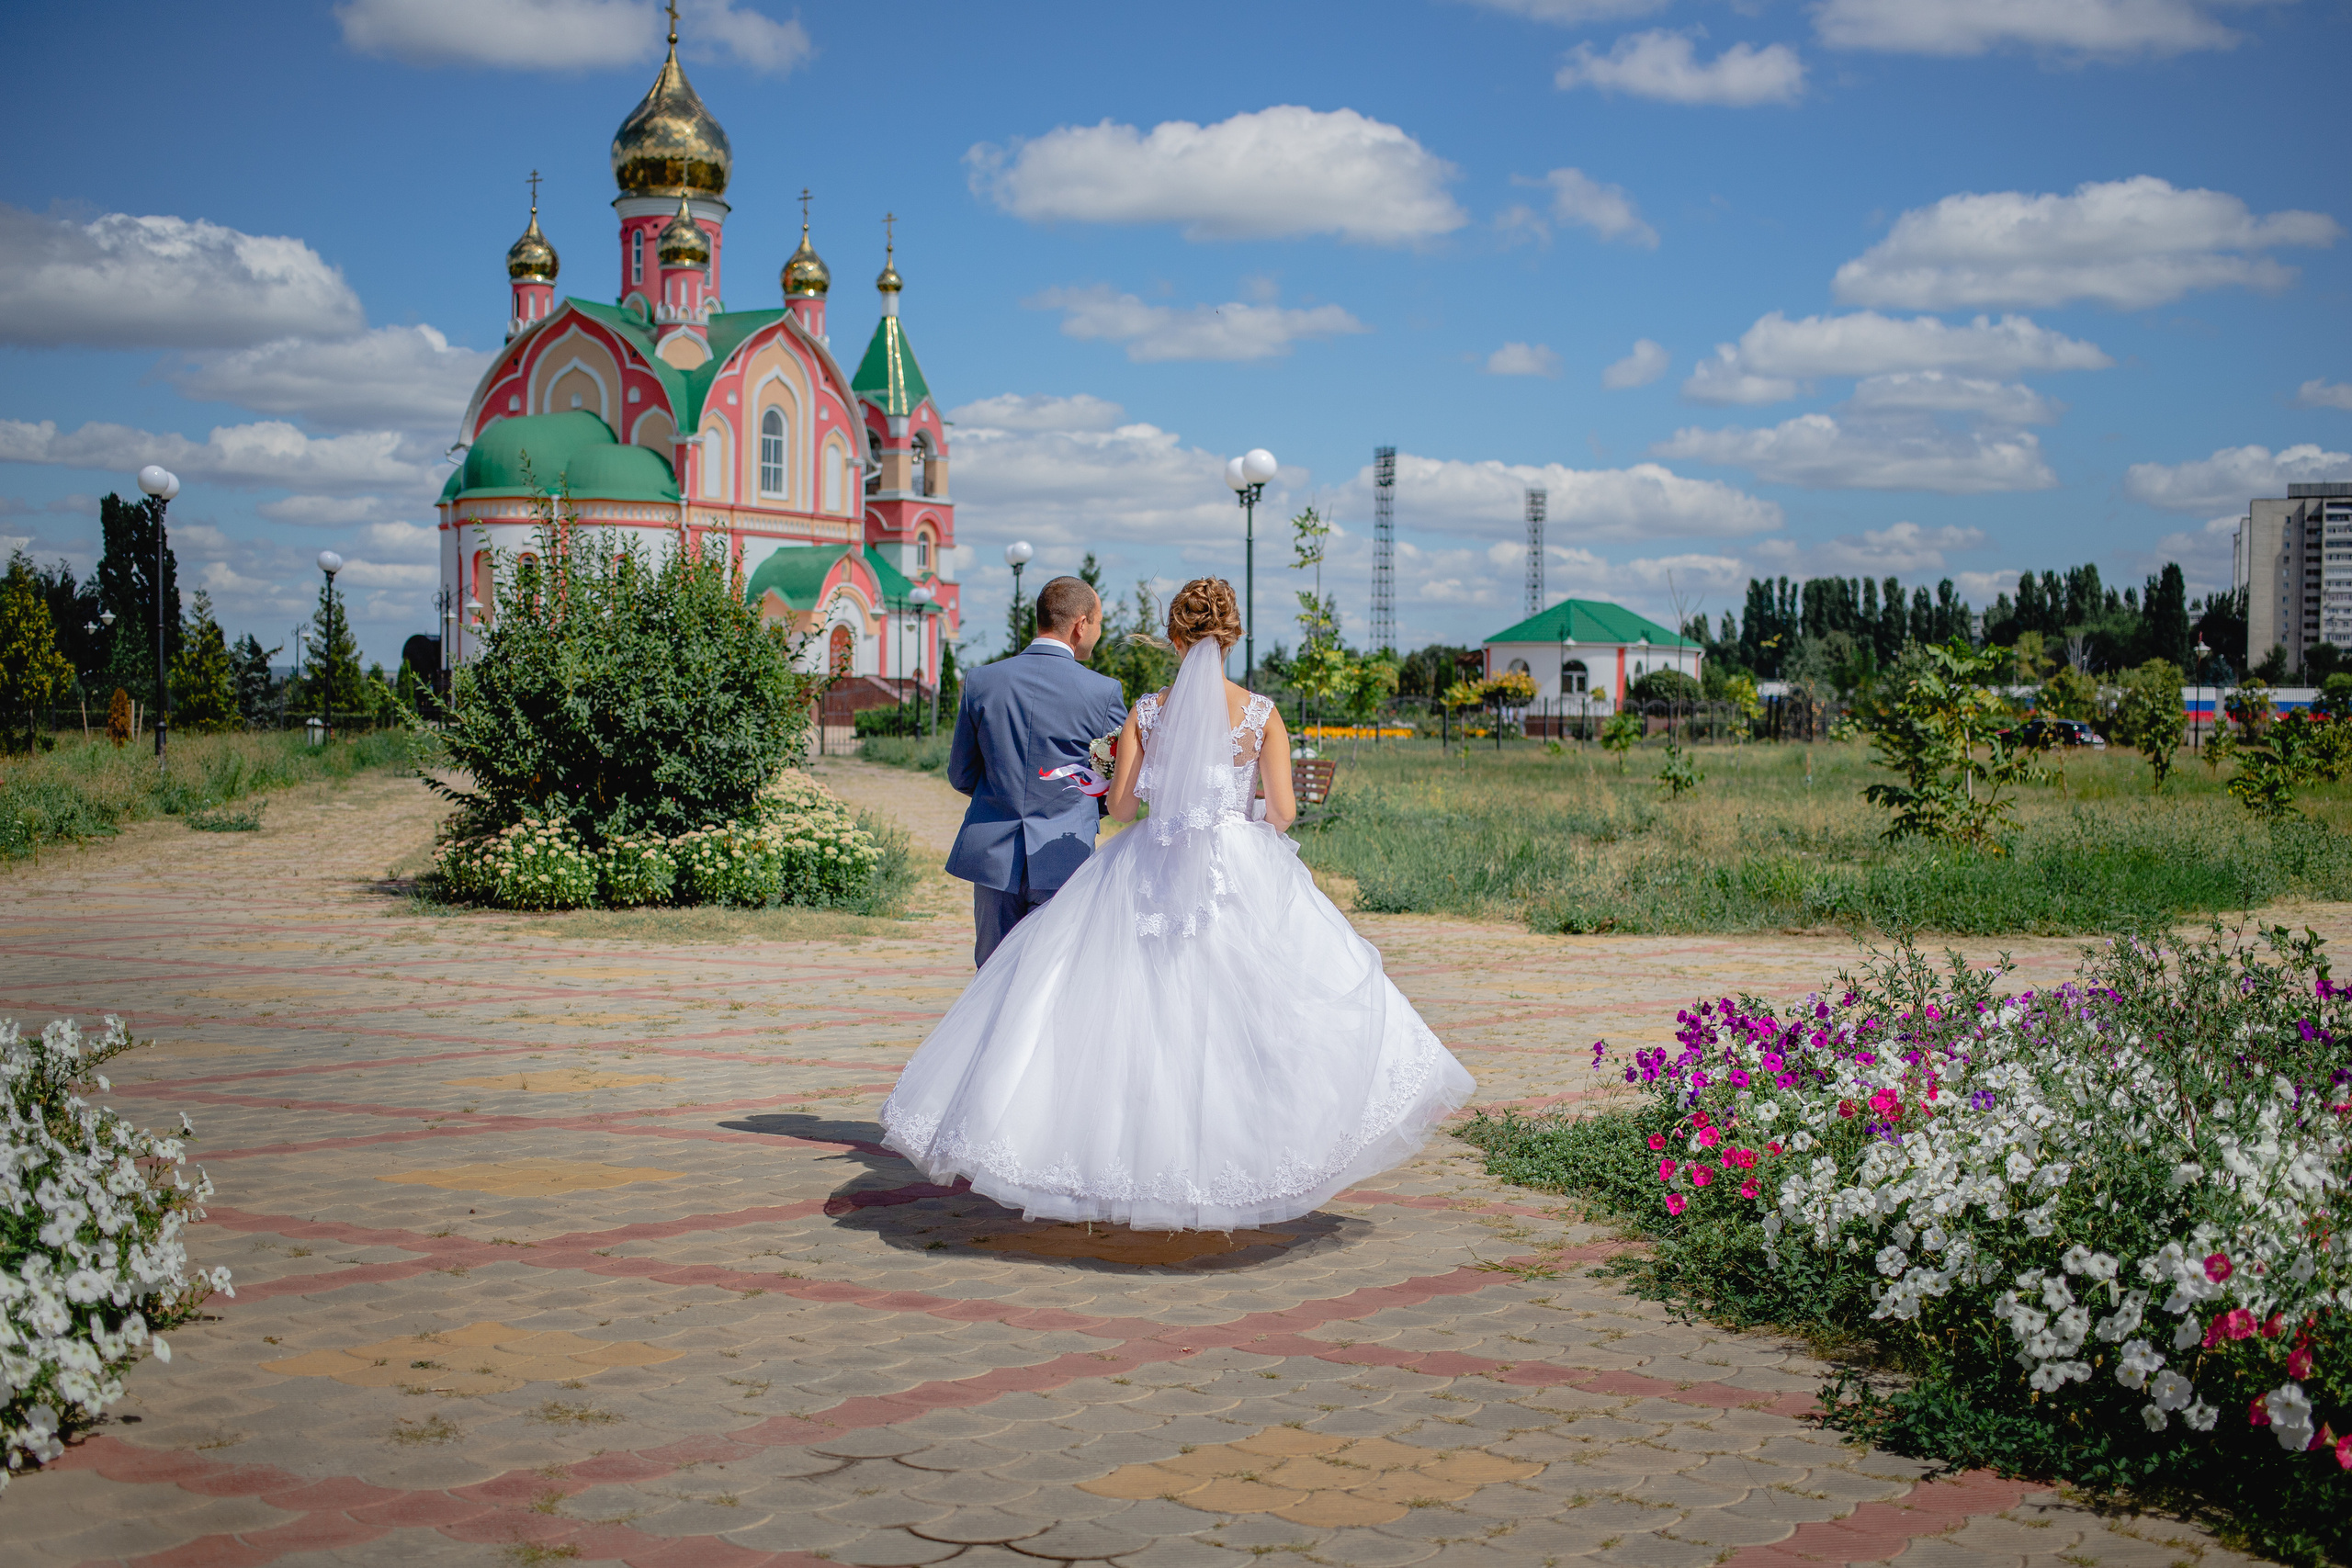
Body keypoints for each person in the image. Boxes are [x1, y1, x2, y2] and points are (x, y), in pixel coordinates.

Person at [882, 577, 1474, 1232]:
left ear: (1173, 637)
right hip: (1234, 868)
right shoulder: (1262, 714)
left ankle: (1121, 1162)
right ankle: (1243, 1157)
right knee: (1242, 1015)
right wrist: (1228, 810)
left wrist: (1134, 785)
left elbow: (1123, 807)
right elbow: (1282, 812)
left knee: (1132, 1012)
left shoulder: (1146, 711)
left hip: (1149, 865)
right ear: (1233, 636)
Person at [944, 575, 1130, 968]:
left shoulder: (981, 681)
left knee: (992, 974)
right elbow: (1118, 781)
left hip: (994, 853)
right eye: (1098, 623)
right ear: (1081, 625)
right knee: (1050, 978)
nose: (1098, 632)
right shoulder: (1104, 692)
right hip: (1064, 851)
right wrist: (1083, 810)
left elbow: (961, 773)